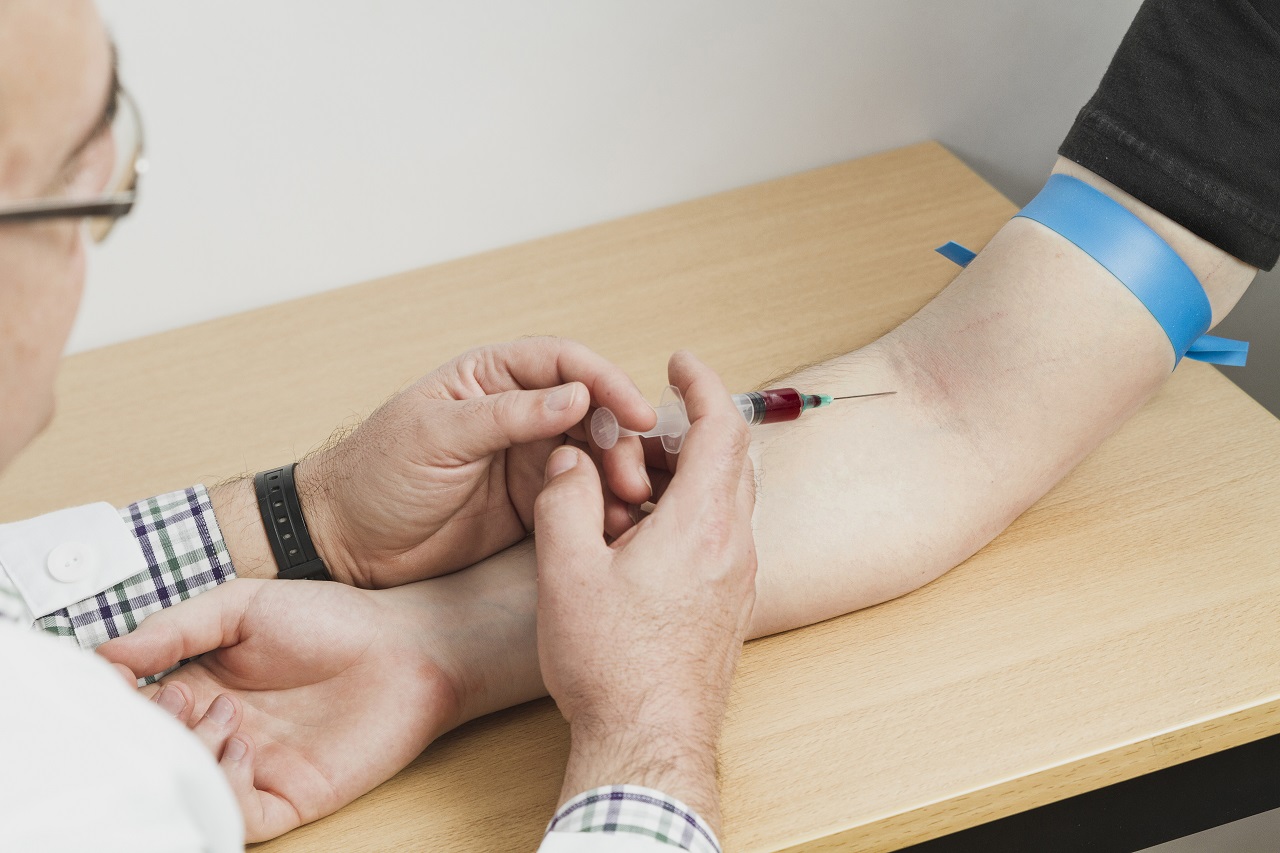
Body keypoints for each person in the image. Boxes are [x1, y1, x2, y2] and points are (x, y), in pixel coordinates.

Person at [4, 0, 1278, 849]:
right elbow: (949, 411)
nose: (112, 197)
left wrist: (341, 546)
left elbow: (956, 409)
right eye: (96, 180)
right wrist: (644, 730)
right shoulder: (95, 788)